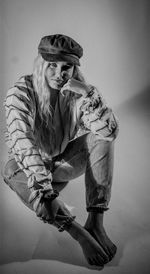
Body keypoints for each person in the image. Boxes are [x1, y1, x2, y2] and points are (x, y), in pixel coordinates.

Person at [2, 34, 119, 267]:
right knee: (9, 169)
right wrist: (45, 192)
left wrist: (88, 92)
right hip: (29, 170)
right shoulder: (20, 93)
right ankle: (77, 231)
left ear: (74, 69)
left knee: (100, 137)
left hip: (60, 164)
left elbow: (109, 133)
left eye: (66, 67)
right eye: (52, 66)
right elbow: (22, 143)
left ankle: (95, 222)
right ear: (41, 64)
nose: (59, 74)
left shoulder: (77, 93)